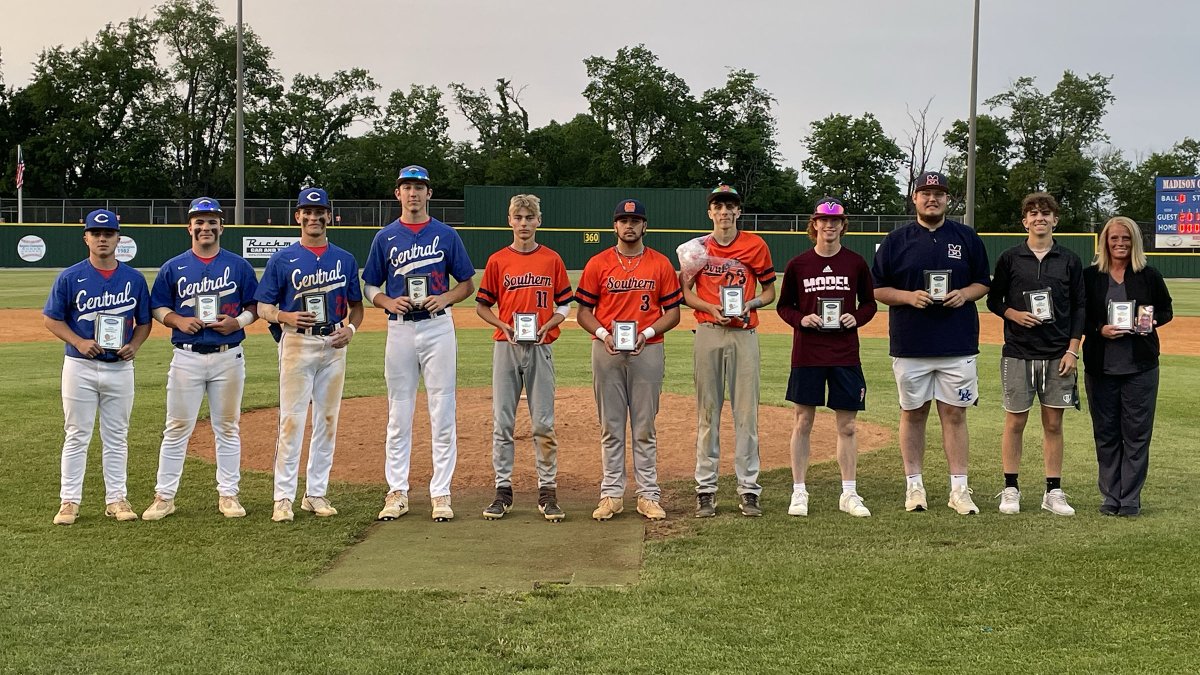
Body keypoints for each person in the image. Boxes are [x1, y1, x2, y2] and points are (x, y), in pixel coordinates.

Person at [871, 171, 990, 515]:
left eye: (938, 193)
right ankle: (914, 487)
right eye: (925, 192)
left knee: (955, 415)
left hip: (957, 343)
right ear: (915, 198)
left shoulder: (966, 237)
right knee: (913, 413)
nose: (932, 198)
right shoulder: (897, 240)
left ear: (947, 199)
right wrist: (908, 297)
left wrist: (964, 294)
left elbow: (983, 281)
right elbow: (878, 289)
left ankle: (959, 489)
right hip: (911, 343)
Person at [364, 165, 475, 523]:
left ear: (429, 194)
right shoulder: (385, 237)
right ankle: (397, 491)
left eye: (419, 187)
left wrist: (445, 298)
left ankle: (441, 493)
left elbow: (467, 284)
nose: (413, 193)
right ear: (398, 193)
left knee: (442, 412)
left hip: (438, 327)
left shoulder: (445, 234)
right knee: (399, 414)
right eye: (407, 187)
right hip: (399, 329)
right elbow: (370, 286)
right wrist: (384, 302)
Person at [141, 197, 259, 521]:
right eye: (199, 221)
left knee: (228, 427)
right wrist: (178, 321)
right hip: (186, 356)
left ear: (222, 226)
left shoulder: (238, 266)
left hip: (228, 355)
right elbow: (158, 306)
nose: (205, 227)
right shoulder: (174, 267)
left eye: (212, 222)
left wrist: (238, 322)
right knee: (177, 427)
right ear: (189, 227)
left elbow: (255, 306)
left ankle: (229, 494)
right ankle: (164, 497)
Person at [255, 187, 363, 523]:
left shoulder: (344, 258)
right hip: (297, 342)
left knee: (327, 421)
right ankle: (283, 497)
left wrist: (351, 330)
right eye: (308, 211)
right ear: (298, 216)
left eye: (320, 212)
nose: (314, 217)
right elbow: (263, 307)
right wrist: (284, 317)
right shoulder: (282, 258)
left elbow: (357, 308)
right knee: (291, 419)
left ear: (329, 216)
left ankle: (315, 493)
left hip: (333, 342)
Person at [576, 198, 682, 521]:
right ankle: (611, 494)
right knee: (611, 425)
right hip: (607, 350)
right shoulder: (598, 263)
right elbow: (583, 312)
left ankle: (648, 494)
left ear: (644, 225)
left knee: (644, 426)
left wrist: (647, 334)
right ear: (615, 226)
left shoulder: (661, 264)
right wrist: (603, 335)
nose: (630, 225)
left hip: (646, 350)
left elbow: (673, 313)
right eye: (624, 220)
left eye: (635, 220)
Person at [44, 209, 151, 525]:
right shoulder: (70, 276)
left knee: (117, 435)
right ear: (86, 237)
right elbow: (51, 318)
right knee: (77, 434)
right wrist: (77, 341)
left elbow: (144, 322)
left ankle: (117, 499)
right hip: (80, 366)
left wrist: (135, 344)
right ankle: (69, 501)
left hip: (119, 367)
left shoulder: (133, 278)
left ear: (118, 238)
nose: (102, 238)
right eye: (96, 233)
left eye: (108, 233)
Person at [776, 198, 877, 517]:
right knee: (802, 421)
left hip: (844, 353)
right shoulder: (798, 264)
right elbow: (783, 306)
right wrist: (800, 319)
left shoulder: (856, 263)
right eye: (823, 220)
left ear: (843, 225)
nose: (829, 226)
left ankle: (848, 493)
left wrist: (856, 318)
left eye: (835, 221)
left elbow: (870, 304)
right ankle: (799, 492)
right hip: (807, 353)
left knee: (847, 425)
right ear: (814, 224)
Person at [986, 192, 1085, 516]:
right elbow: (993, 300)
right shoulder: (1010, 258)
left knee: (1053, 424)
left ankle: (1053, 491)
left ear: (1055, 220)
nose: (1039, 218)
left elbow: (1080, 308)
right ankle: (1010, 487)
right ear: (1024, 220)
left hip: (1058, 353)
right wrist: (1012, 314)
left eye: (1045, 213)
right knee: (1015, 421)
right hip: (1018, 352)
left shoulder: (1069, 260)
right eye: (1033, 213)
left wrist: (1073, 350)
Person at [475, 195, 573, 521]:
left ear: (539, 221)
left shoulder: (552, 260)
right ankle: (502, 491)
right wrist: (502, 324)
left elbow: (564, 304)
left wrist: (551, 324)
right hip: (507, 345)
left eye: (530, 217)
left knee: (543, 422)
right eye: (518, 217)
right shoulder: (498, 261)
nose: (524, 223)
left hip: (541, 345)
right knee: (503, 423)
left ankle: (548, 492)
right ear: (509, 221)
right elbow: (482, 305)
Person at [681, 184, 776, 518]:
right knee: (707, 414)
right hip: (708, 331)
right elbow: (685, 293)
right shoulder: (697, 249)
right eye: (718, 206)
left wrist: (748, 304)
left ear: (738, 212)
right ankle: (705, 489)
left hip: (744, 332)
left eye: (730, 206)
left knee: (746, 414)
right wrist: (710, 306)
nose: (724, 212)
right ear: (710, 212)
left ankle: (748, 489)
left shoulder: (755, 245)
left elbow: (769, 291)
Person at [1082, 216, 1173, 517]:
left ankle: (1130, 498)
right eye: (1114, 238)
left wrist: (1150, 321)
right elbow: (1079, 316)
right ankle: (1110, 495)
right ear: (1104, 242)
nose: (1120, 243)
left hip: (1141, 366)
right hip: (1101, 366)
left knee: (1136, 434)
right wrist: (1099, 329)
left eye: (1126, 238)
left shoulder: (1148, 275)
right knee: (1106, 432)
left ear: (1135, 242)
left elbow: (1166, 310)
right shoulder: (1090, 276)